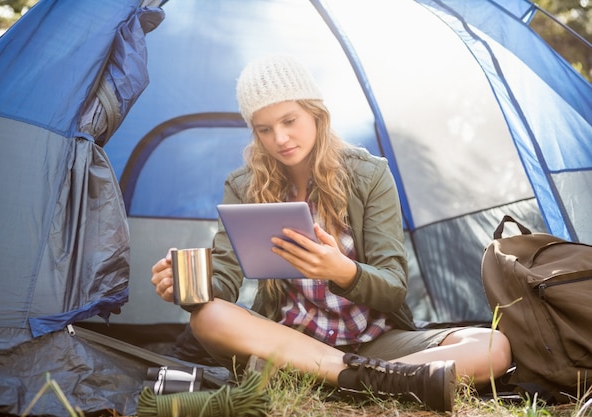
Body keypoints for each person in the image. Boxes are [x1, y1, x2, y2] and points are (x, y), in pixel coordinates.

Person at [151, 54, 512, 412]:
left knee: (492, 345)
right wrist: (188, 286)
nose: (280, 138)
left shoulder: (369, 176)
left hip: (373, 344)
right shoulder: (244, 187)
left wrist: (341, 270)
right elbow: (224, 284)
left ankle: (349, 379)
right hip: (290, 343)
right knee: (208, 317)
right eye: (264, 129)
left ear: (316, 114)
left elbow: (394, 287)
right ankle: (378, 381)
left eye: (289, 120)